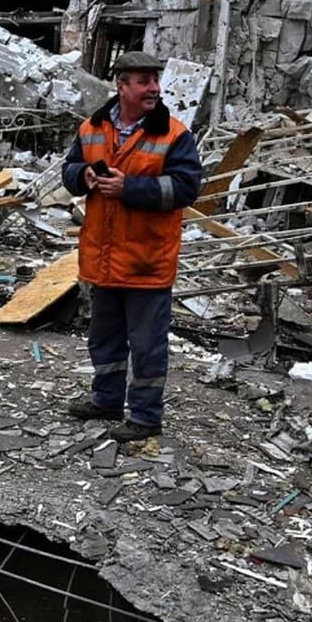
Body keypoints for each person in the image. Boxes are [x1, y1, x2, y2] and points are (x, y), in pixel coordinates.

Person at [60, 51, 204, 441]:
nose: (154, 88)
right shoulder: (92, 127)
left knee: (146, 346)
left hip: (146, 260)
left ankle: (144, 417)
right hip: (102, 257)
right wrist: (84, 175)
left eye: (154, 80)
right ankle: (105, 401)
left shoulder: (174, 135)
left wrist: (130, 188)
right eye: (143, 81)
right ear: (121, 86)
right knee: (103, 338)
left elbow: (187, 188)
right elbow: (69, 170)